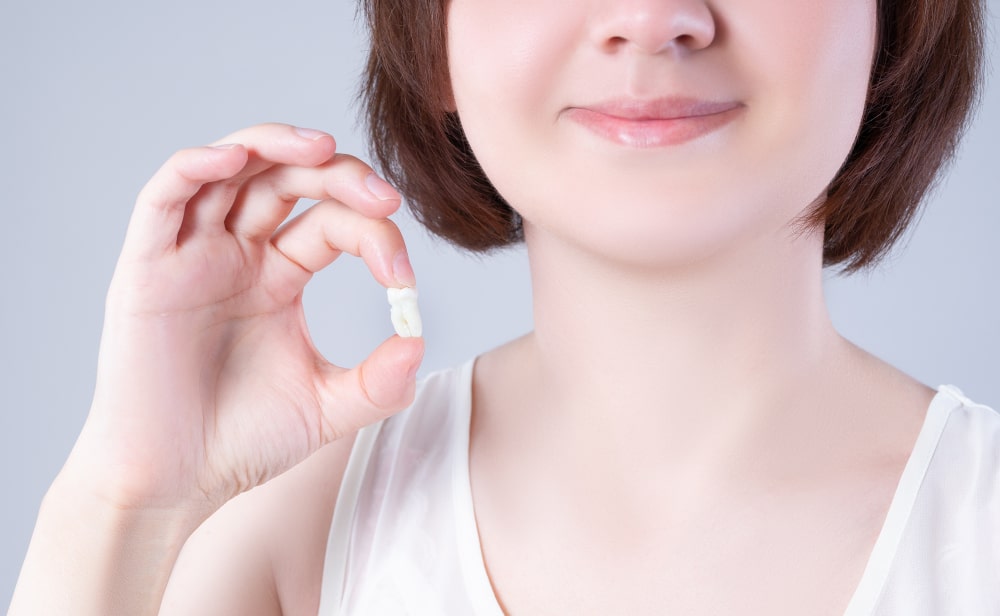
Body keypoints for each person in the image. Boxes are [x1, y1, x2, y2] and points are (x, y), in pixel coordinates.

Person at [9, 0, 996, 613]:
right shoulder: (289, 547)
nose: (653, 17)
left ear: (890, 25)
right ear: (434, 37)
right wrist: (134, 500)